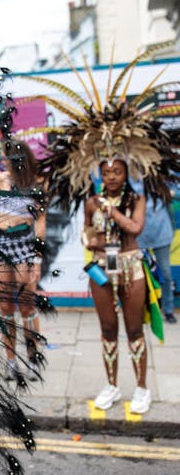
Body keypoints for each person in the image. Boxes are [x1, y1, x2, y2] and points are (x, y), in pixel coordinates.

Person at [82, 159, 150, 413]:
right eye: (106, 173)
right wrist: (90, 241)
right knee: (108, 329)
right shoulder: (91, 202)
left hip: (131, 267)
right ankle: (112, 386)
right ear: (100, 175)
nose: (111, 177)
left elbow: (135, 228)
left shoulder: (136, 200)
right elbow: (86, 231)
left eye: (117, 172)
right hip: (102, 268)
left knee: (134, 330)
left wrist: (113, 212)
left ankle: (142, 388)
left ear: (125, 175)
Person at [0, 140, 46, 382]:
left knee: (27, 307)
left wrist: (37, 258)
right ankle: (11, 362)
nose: (3, 162)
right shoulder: (1, 179)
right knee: (5, 309)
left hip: (24, 244)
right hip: (0, 244)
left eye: (6, 158)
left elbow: (41, 221)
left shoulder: (37, 182)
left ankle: (32, 360)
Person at [137, 196, 177, 324]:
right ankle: (141, 309)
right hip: (139, 235)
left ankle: (168, 310)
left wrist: (170, 192)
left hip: (162, 234)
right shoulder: (132, 183)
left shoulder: (160, 183)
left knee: (165, 272)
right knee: (139, 274)